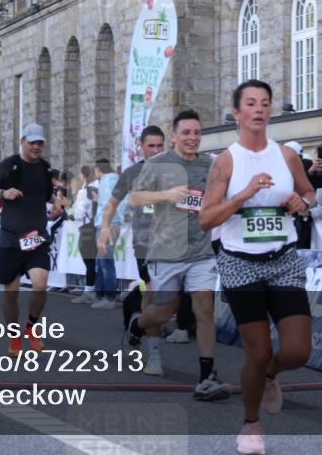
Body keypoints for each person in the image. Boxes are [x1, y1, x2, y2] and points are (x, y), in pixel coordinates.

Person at [199, 80, 316, 455]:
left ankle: (270, 375)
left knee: (297, 352)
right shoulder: (225, 161)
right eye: (250, 103)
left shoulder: (287, 155)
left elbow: (310, 193)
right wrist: (244, 194)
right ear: (237, 113)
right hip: (239, 263)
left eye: (265, 103)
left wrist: (302, 202)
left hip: (283, 260)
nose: (259, 109)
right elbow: (206, 218)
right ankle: (251, 424)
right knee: (259, 350)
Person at [125, 110, 232, 400]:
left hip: (201, 251)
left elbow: (222, 196)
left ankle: (206, 377)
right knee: (163, 312)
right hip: (166, 251)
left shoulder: (210, 165)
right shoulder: (158, 164)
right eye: (186, 133)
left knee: (204, 309)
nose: (192, 138)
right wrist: (166, 195)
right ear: (173, 136)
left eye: (197, 133)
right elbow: (135, 198)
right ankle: (138, 324)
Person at [0, 123, 67, 356]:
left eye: (40, 143)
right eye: (32, 143)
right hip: (11, 239)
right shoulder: (10, 164)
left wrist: (56, 203)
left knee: (40, 283)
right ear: (23, 141)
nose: (36, 147)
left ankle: (31, 326)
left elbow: (44, 194)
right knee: (11, 293)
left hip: (36, 238)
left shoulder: (45, 168)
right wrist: (3, 193)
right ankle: (13, 334)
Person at [97, 126, 167, 327]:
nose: (156, 150)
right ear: (141, 146)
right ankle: (146, 331)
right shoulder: (132, 173)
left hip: (170, 240)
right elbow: (112, 204)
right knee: (150, 288)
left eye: (160, 146)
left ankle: (150, 324)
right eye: (151, 146)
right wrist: (105, 228)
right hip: (144, 241)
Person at [91, 159, 122, 309]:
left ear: (97, 168)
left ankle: (109, 297)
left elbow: (115, 202)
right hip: (105, 224)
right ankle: (100, 294)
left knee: (105, 261)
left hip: (107, 226)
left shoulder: (108, 180)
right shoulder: (109, 180)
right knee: (101, 261)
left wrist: (113, 222)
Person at [69, 165, 99, 304]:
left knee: (89, 262)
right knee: (94, 262)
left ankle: (89, 291)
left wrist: (71, 215)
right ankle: (94, 290)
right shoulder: (98, 188)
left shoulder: (84, 191)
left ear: (82, 175)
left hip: (86, 227)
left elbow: (79, 213)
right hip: (95, 226)